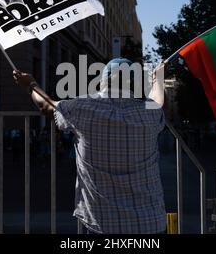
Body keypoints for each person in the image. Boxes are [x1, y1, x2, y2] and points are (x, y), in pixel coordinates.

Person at [13, 58, 167, 234]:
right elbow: (158, 100)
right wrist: (158, 79)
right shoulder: (150, 112)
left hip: (102, 225)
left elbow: (47, 107)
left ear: (103, 81)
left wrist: (30, 84)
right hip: (150, 223)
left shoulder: (82, 107)